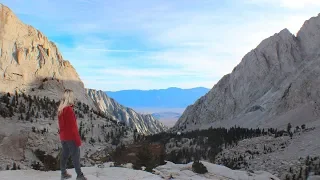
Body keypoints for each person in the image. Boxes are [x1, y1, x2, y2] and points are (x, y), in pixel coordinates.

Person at [57, 89, 87, 180]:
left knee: (65, 155)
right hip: (71, 137)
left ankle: (63, 173)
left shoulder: (60, 110)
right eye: (72, 96)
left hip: (63, 137)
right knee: (75, 156)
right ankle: (79, 175)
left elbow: (61, 125)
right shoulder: (69, 110)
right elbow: (73, 127)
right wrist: (77, 140)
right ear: (70, 97)